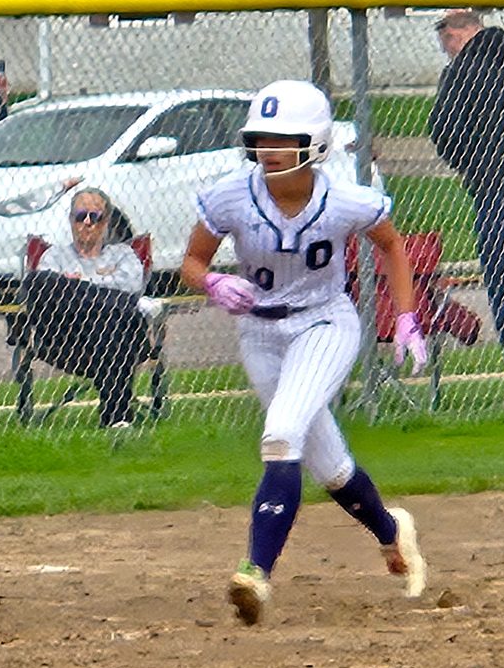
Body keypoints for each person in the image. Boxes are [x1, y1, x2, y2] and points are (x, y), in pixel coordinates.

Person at [181, 80, 429, 625]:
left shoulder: (342, 197)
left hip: (324, 323)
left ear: (314, 142)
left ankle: (256, 574)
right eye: (261, 137)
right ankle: (392, 533)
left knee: (281, 434)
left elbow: (391, 243)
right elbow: (192, 261)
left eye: (282, 137)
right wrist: (214, 284)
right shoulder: (231, 194)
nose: (268, 148)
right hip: (260, 332)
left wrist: (408, 317)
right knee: (330, 466)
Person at [429, 9, 504, 406]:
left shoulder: (462, 72)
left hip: (501, 192)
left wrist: (476, 167)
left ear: (454, 35)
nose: (447, 52)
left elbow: (444, 133)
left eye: (446, 44)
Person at [21, 187, 150, 428]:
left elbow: (132, 284)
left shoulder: (123, 254)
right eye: (81, 216)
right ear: (71, 220)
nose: (88, 222)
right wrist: (107, 290)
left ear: (107, 221)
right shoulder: (54, 256)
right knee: (37, 281)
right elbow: (44, 295)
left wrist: (76, 286)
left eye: (95, 216)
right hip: (65, 335)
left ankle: (116, 419)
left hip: (113, 332)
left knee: (112, 318)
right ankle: (118, 417)